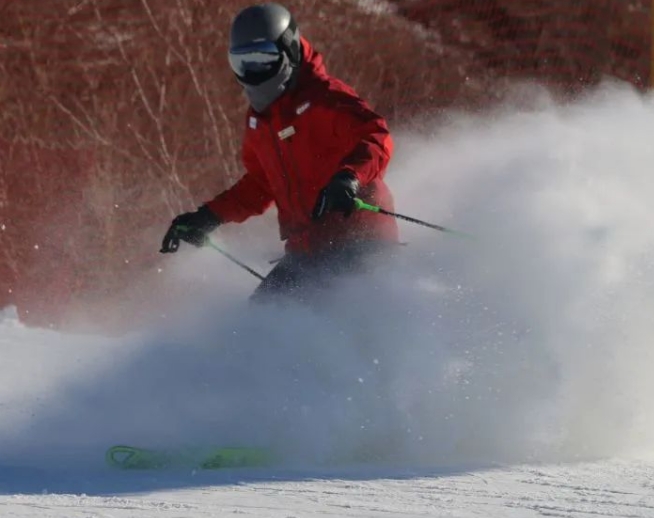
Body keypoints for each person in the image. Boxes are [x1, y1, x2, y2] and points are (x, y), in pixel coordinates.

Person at [160, 2, 399, 302]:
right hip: (308, 251)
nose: (254, 73)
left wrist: (349, 178)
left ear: (288, 51)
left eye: (264, 59)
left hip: (358, 242)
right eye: (244, 63)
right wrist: (208, 216)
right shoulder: (260, 122)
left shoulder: (323, 98)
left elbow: (375, 135)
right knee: (259, 325)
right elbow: (261, 183)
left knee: (333, 323)